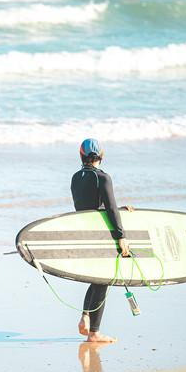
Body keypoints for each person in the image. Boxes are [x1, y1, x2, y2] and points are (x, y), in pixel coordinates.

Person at [70, 138, 133, 343]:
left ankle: (86, 317)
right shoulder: (103, 178)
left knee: (96, 279)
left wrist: (118, 210)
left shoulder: (75, 178)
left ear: (81, 155)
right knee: (103, 279)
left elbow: (90, 207)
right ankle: (94, 332)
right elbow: (110, 209)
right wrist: (121, 236)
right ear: (102, 156)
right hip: (102, 235)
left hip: (84, 233)